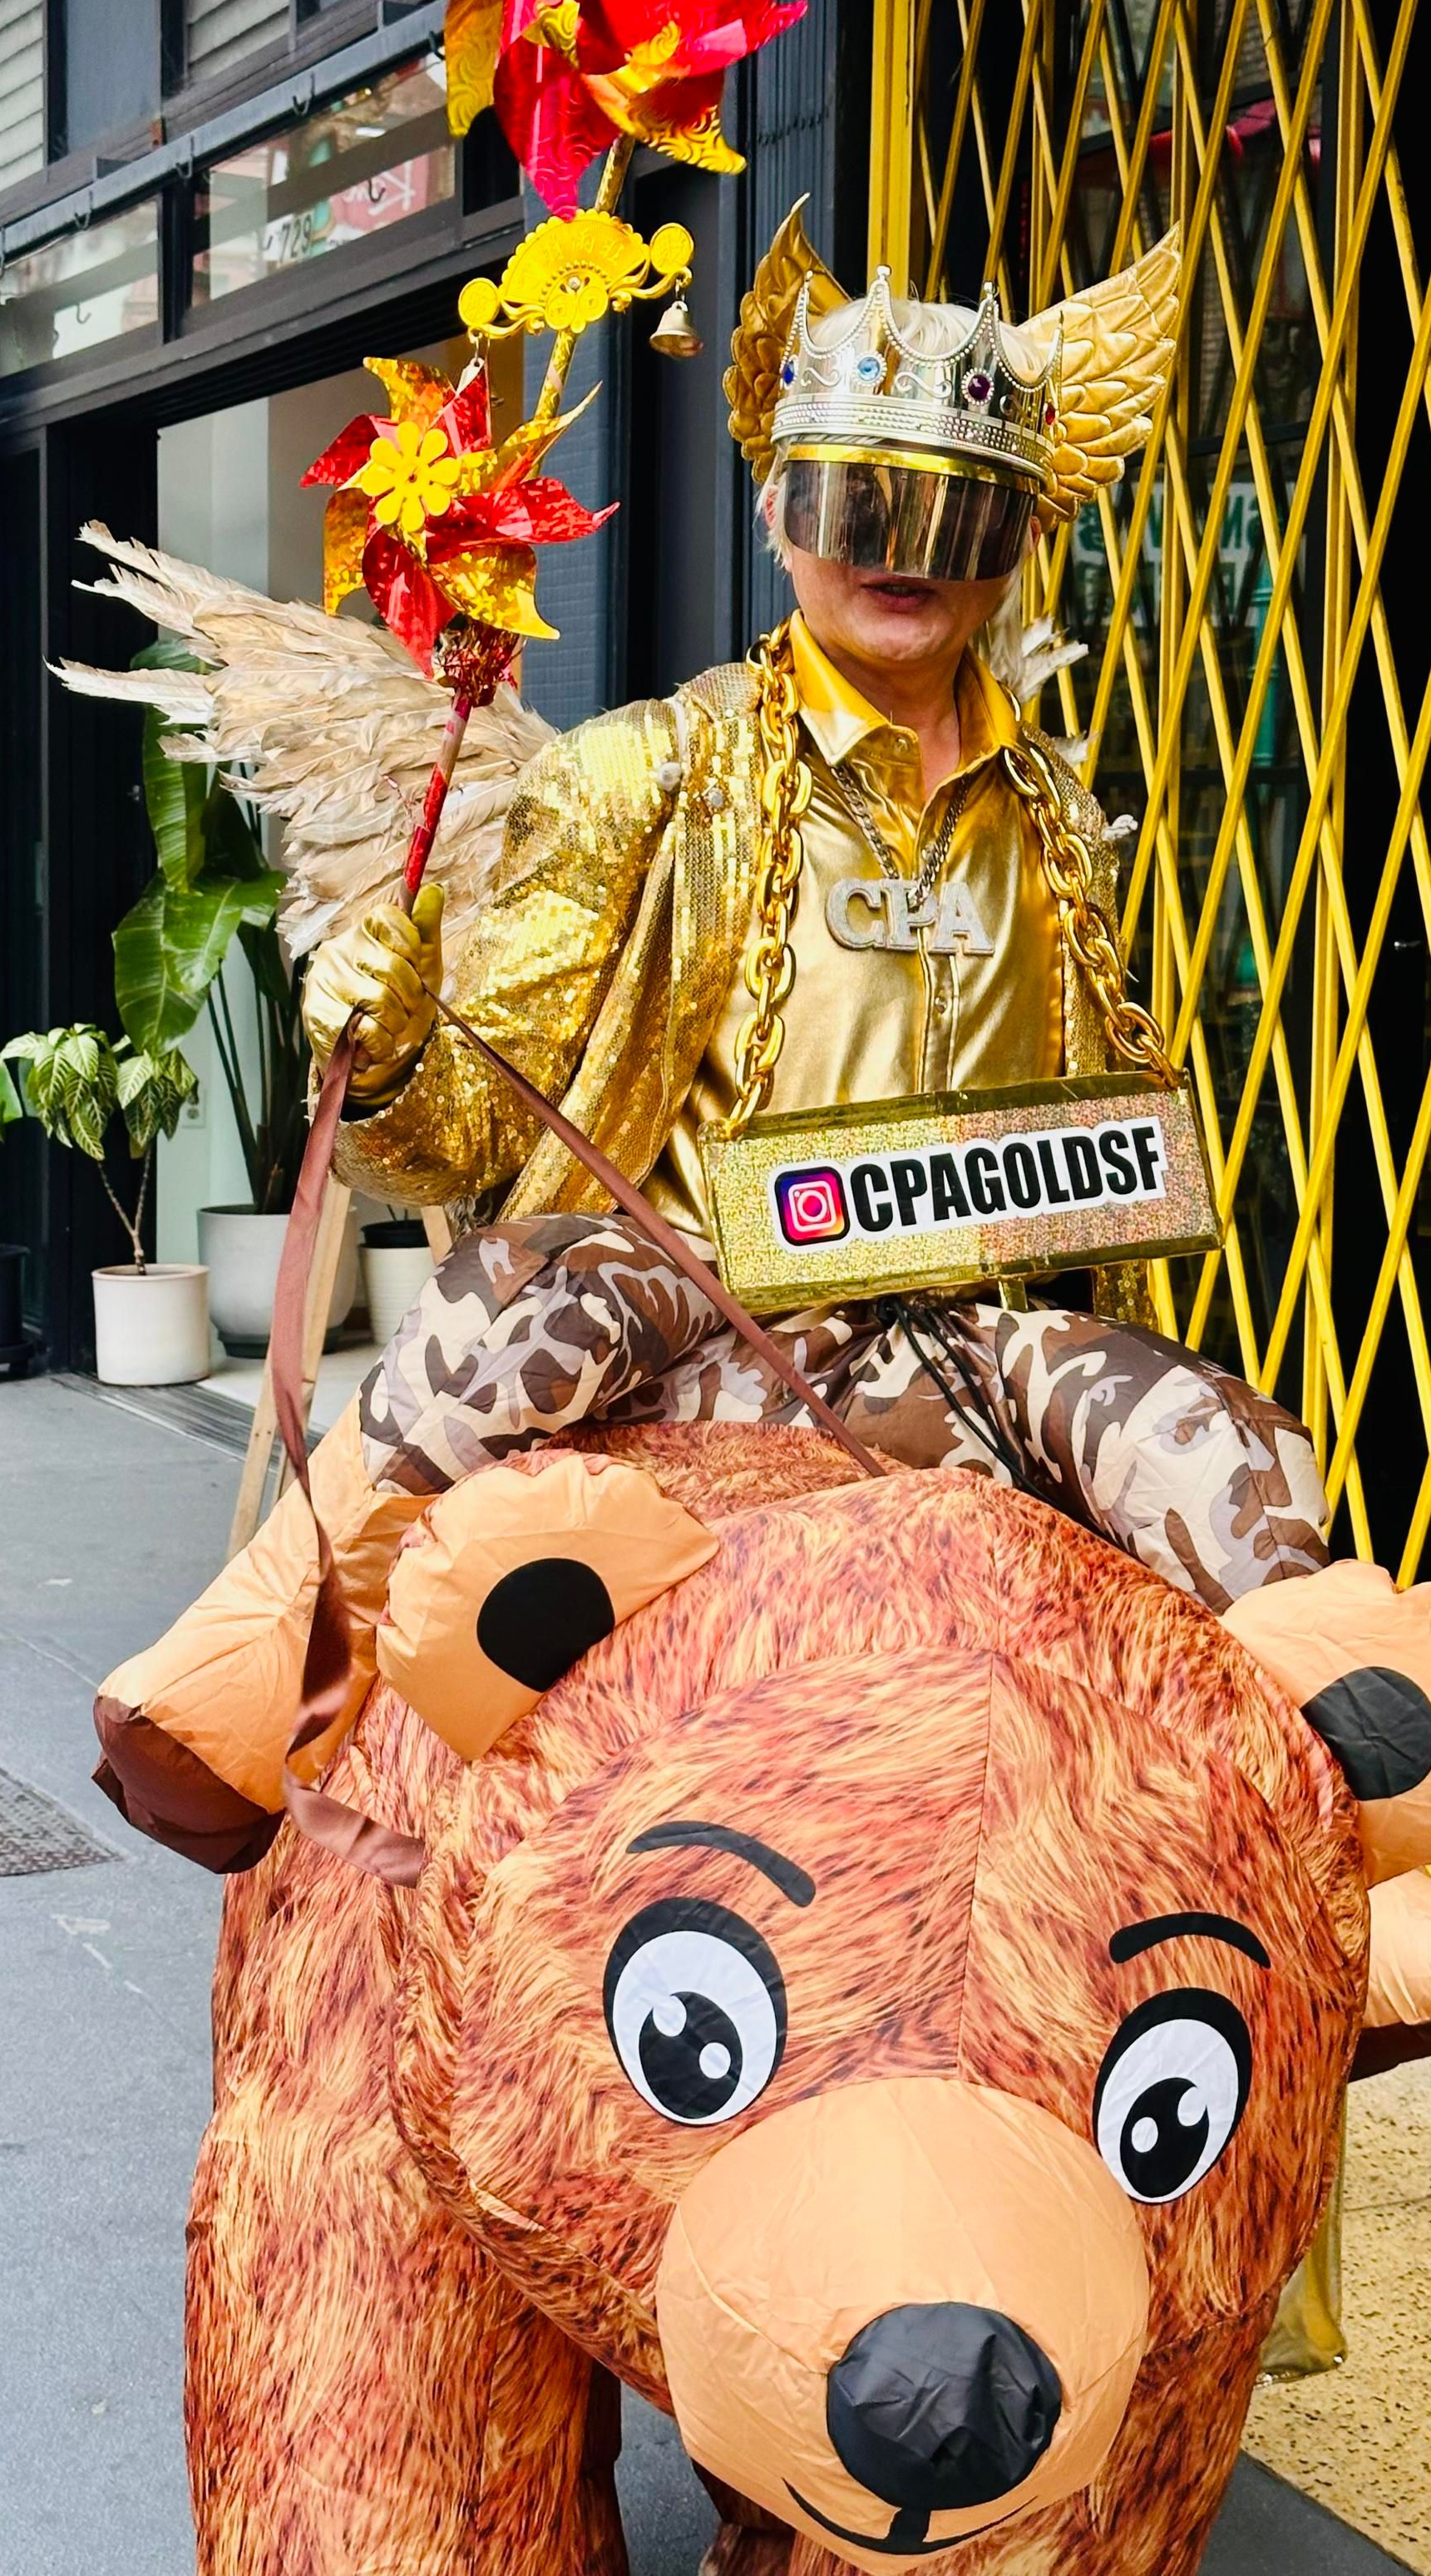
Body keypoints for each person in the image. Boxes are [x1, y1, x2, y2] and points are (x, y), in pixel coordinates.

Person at [289, 207, 1327, 1606]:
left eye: (955, 511)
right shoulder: (644, 777)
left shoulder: (1059, 828)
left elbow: (1095, 1187)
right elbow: (453, 1139)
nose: (905, 553)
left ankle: (1323, 1736)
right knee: (487, 1351)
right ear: (779, 513)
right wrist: (393, 1045)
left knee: (1234, 1461)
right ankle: (269, 1666)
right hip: (700, 1367)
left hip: (978, 1387)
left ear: (1021, 535)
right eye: (859, 503)